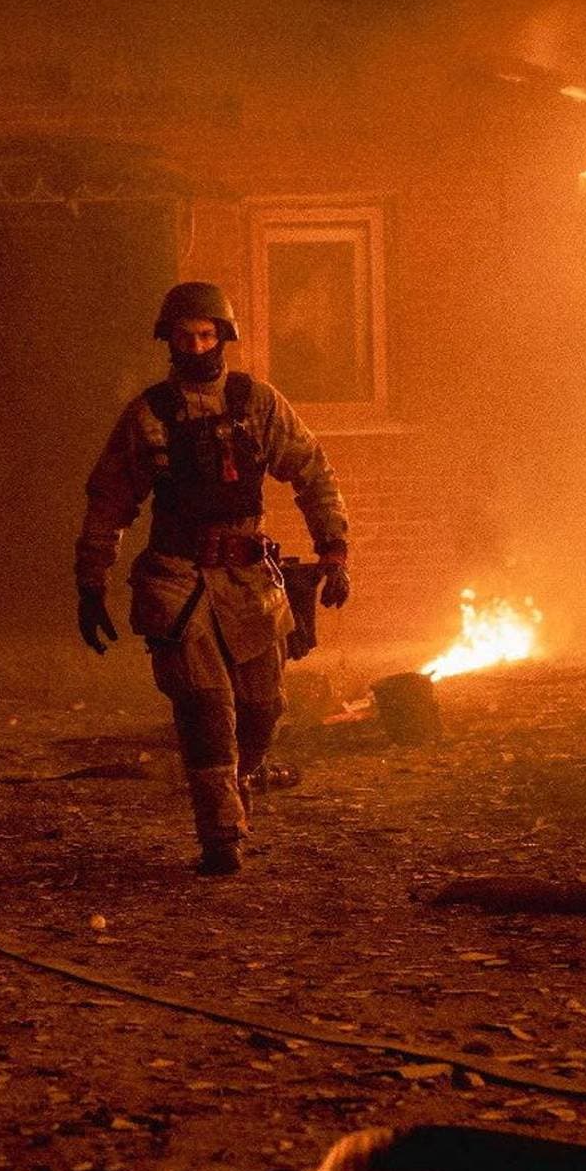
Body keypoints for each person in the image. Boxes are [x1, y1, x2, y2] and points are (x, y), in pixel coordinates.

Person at [75, 281, 351, 876]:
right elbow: (110, 500)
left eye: (207, 335)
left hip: (248, 581)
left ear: (223, 337)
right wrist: (91, 579)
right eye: (185, 336)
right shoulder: (149, 415)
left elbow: (312, 470)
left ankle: (239, 782)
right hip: (176, 581)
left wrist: (333, 549)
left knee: (262, 709)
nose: (197, 346)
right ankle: (220, 835)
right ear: (169, 340)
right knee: (206, 709)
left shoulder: (258, 404)